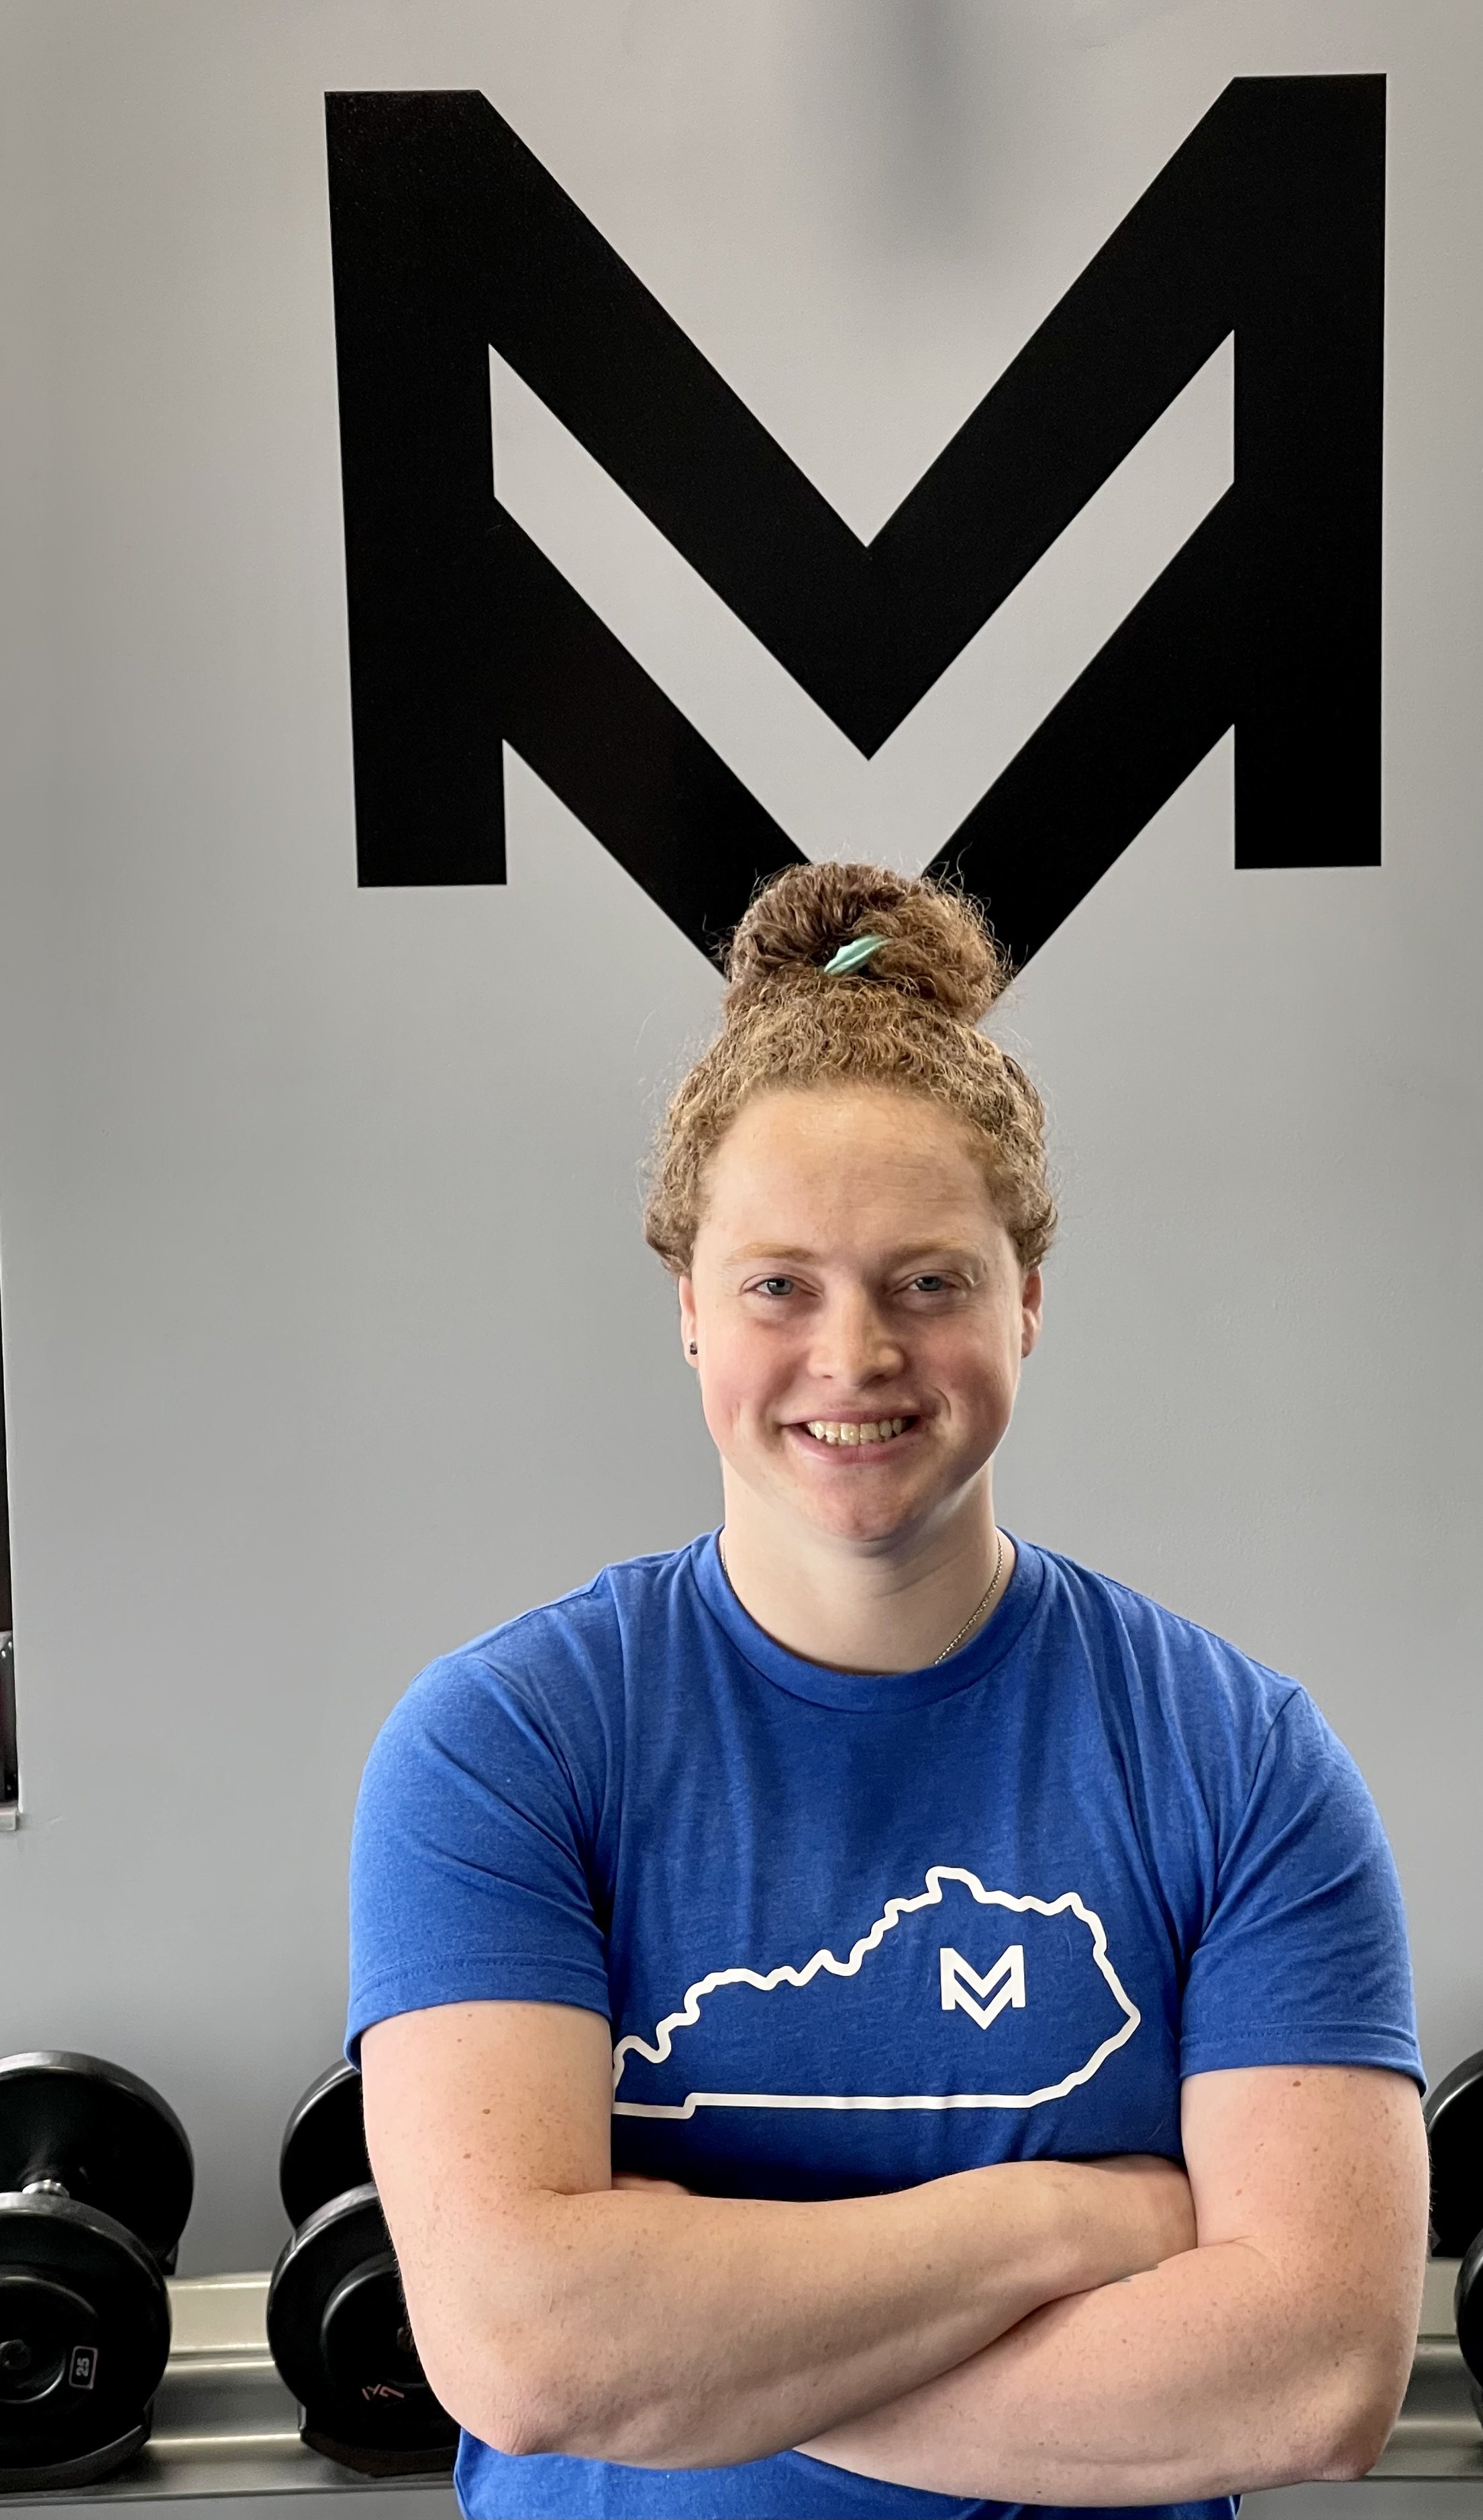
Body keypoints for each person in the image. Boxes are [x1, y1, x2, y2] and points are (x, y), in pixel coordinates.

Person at [349, 862, 1429, 2520]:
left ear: (1027, 1304)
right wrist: (1076, 2225)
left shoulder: (1240, 1760)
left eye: (927, 1281)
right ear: (689, 1315)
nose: (852, 1356)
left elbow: (1311, 2379)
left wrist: (702, 2358)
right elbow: (531, 2352)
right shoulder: (505, 1745)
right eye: (779, 1282)